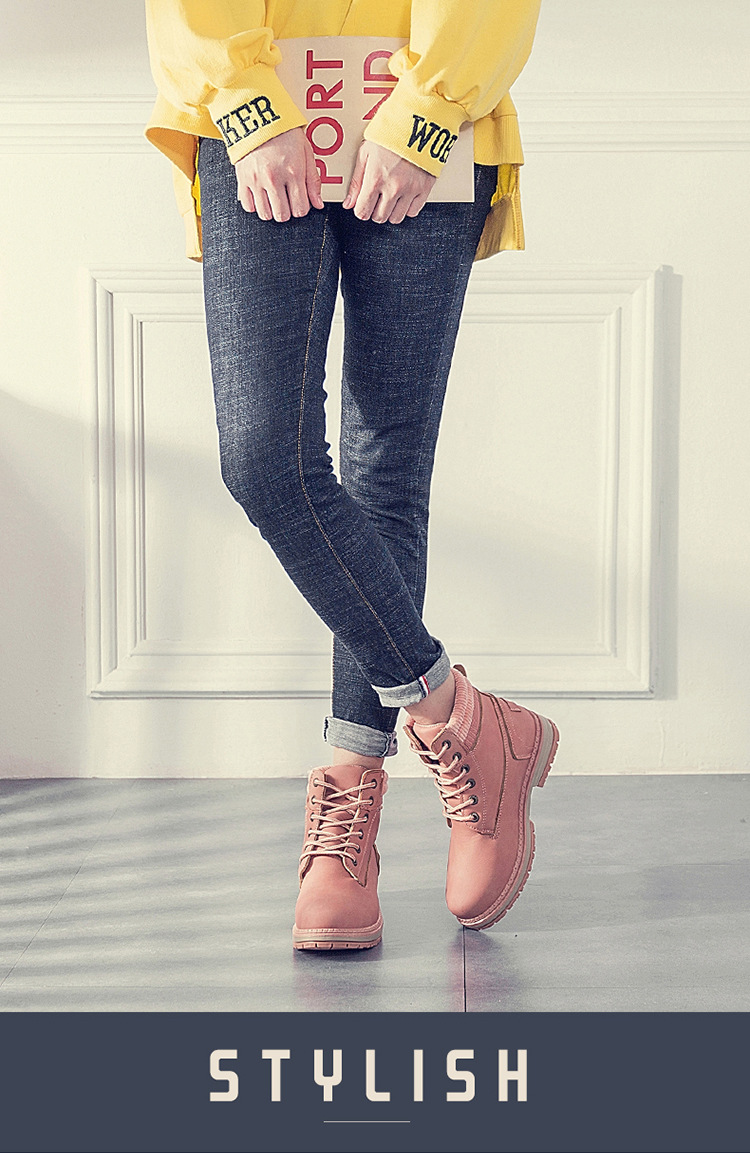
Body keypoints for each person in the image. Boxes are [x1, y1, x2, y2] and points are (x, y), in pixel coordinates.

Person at [144, 0, 557, 951]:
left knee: (385, 470)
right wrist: (248, 106)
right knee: (265, 458)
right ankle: (460, 719)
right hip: (254, 107)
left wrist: (427, 111)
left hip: (430, 107)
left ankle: (350, 795)